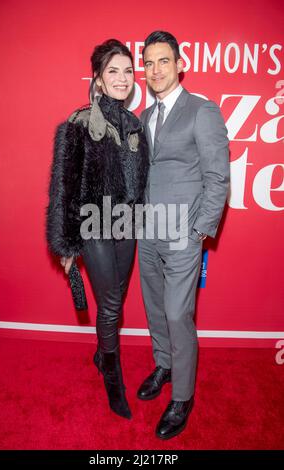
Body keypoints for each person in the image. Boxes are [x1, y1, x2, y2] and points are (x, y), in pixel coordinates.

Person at [46, 39, 149, 419]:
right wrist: (66, 244)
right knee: (109, 305)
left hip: (126, 225)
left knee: (117, 299)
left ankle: (100, 353)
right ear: (99, 80)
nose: (122, 78)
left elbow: (142, 183)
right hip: (93, 227)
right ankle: (112, 375)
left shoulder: (136, 125)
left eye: (127, 71)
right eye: (113, 71)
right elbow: (64, 188)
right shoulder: (78, 123)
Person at [137, 31, 230, 439]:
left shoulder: (202, 111)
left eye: (163, 61)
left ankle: (184, 396)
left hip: (182, 234)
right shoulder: (144, 116)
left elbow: (217, 177)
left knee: (178, 313)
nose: (156, 70)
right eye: (150, 63)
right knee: (156, 308)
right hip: (146, 231)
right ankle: (164, 364)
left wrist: (199, 231)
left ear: (180, 64)